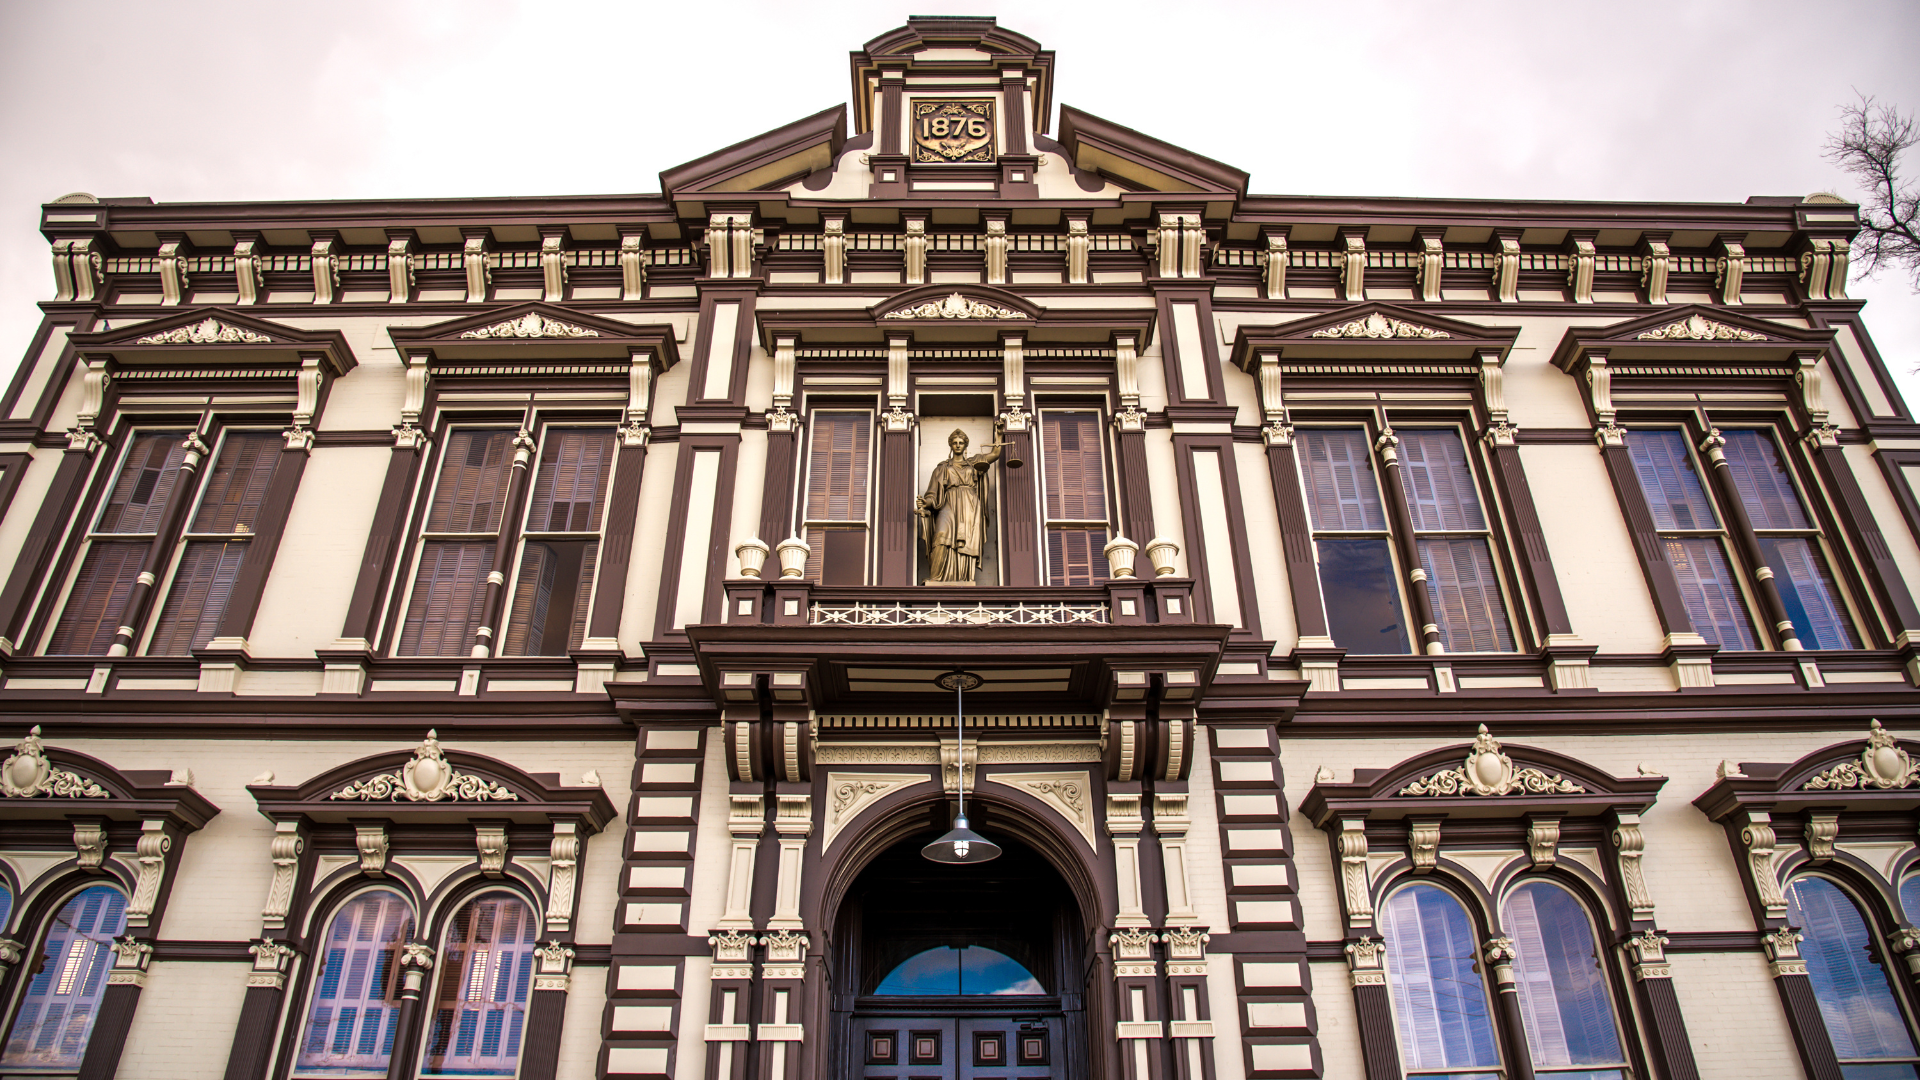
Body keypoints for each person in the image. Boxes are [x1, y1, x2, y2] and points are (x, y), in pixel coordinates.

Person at [916, 427, 1003, 583]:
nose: (957, 445)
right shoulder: (942, 467)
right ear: (950, 445)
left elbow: (995, 454)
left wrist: (999, 435)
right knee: (941, 536)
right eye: (955, 442)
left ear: (965, 445)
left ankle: (964, 579)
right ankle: (936, 578)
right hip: (948, 503)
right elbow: (932, 494)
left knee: (966, 541)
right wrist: (925, 503)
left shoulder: (974, 462)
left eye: (961, 442)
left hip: (970, 505)